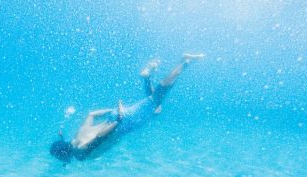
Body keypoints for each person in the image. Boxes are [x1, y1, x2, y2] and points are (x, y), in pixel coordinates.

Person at [50, 53, 205, 164]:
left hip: (123, 123)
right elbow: (91, 115)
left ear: (63, 154)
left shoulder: (79, 151)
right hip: (117, 117)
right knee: (155, 109)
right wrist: (113, 112)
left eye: (60, 158)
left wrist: (118, 121)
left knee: (157, 98)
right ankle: (146, 77)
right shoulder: (78, 135)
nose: (61, 160)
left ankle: (185, 62)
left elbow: (99, 138)